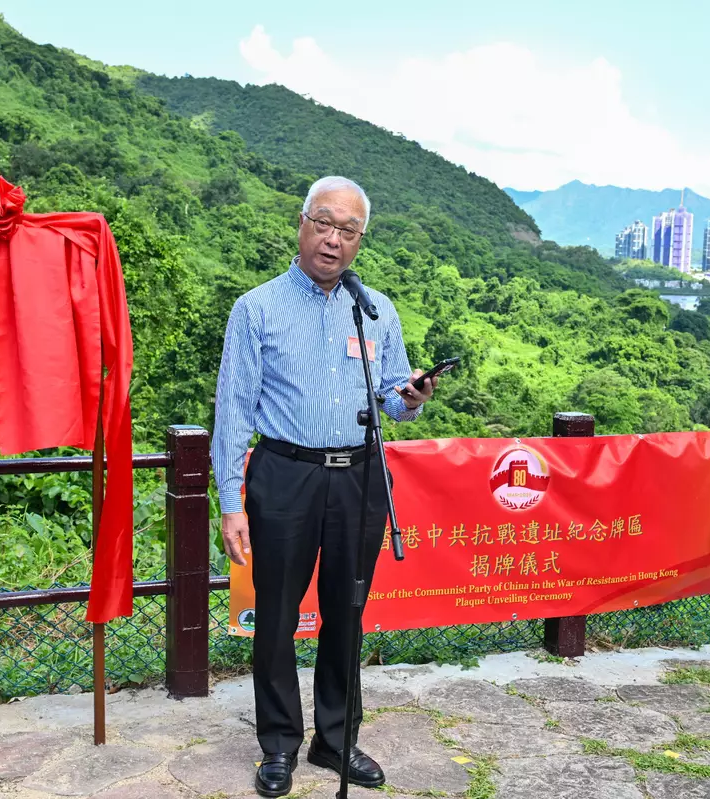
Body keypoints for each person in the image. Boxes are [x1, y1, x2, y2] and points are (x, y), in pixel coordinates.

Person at [211, 176, 437, 798]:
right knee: (276, 614)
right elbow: (233, 409)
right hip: (285, 474)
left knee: (348, 611)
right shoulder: (256, 308)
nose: (333, 240)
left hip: (359, 476)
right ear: (303, 223)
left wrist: (413, 395)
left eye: (348, 231)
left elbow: (393, 399)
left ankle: (336, 741)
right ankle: (279, 745)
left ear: (361, 240)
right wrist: (230, 501)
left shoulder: (375, 309)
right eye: (324, 224)